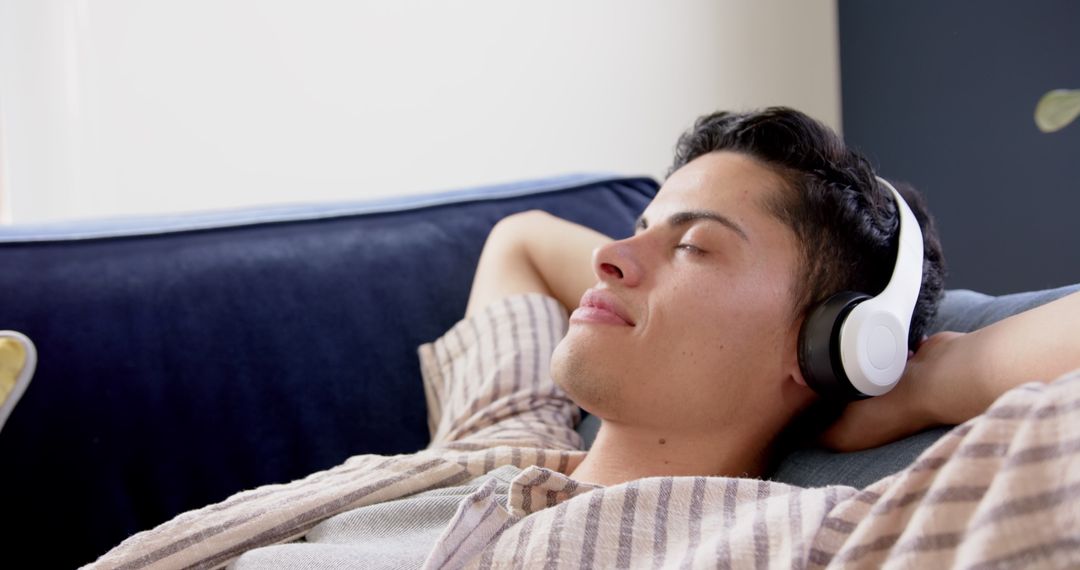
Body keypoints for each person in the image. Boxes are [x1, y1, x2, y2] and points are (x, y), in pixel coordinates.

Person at [87, 108, 1080, 569]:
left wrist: (931, 375)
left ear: (828, 347)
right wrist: (674, 249)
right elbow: (518, 244)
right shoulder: (495, 443)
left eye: (694, 247)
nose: (611, 257)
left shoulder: (772, 547)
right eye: (640, 223)